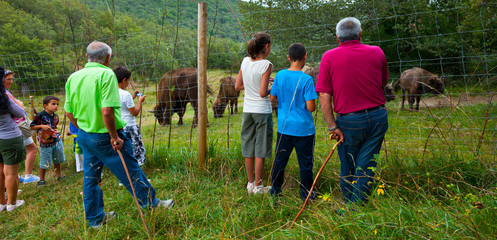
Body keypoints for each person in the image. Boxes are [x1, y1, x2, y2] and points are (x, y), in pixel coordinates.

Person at [65, 41, 173, 229]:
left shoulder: (73, 77)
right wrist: (114, 136)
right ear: (108, 58)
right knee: (132, 170)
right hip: (106, 137)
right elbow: (106, 111)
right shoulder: (106, 74)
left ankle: (95, 219)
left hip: (84, 136)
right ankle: (152, 205)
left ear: (86, 56)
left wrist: (82, 128)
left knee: (91, 178)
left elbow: (69, 113)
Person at [315, 17, 389, 206]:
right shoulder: (377, 51)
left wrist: (332, 126)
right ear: (360, 35)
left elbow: (324, 95)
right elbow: (382, 82)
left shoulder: (329, 56)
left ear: (338, 38)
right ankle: (357, 205)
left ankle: (352, 208)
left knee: (348, 165)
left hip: (349, 122)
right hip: (377, 116)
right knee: (366, 164)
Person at [269, 43, 318, 201]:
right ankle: (306, 194)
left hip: (284, 127)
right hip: (304, 130)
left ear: (288, 57)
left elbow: (272, 98)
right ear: (305, 57)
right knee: (305, 163)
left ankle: (275, 190)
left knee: (280, 160)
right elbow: (311, 108)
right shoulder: (307, 79)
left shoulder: (280, 75)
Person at [235, 32, 273, 194]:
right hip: (262, 111)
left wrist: (254, 85)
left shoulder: (244, 61)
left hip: (247, 110)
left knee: (248, 146)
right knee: (261, 148)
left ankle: (250, 183)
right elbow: (263, 93)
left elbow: (238, 86)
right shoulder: (267, 65)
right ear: (266, 47)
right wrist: (274, 85)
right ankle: (258, 186)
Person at [2, 70, 40, 184]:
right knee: (31, 149)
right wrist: (19, 104)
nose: (11, 81)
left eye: (12, 79)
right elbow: (20, 109)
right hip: (15, 127)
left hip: (13, 127)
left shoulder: (5, 92)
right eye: (8, 79)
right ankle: (23, 177)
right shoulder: (4, 94)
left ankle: (17, 177)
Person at [0, 67, 26, 212]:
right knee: (10, 172)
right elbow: (21, 112)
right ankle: (12, 203)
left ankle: (1, 202)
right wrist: (13, 100)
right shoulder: (4, 96)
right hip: (9, 136)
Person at [113, 66, 147, 166]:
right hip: (130, 126)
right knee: (137, 150)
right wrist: (140, 101)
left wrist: (132, 97)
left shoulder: (111, 92)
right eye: (128, 80)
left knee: (124, 151)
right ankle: (137, 175)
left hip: (119, 127)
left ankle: (124, 177)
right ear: (124, 80)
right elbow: (134, 112)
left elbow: (122, 105)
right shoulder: (125, 94)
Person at [30, 96, 66, 187]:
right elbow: (31, 126)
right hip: (45, 144)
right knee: (44, 162)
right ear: (45, 106)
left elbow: (54, 127)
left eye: (57, 104)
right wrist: (41, 126)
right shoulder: (40, 116)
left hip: (56, 141)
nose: (56, 106)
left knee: (57, 159)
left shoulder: (56, 117)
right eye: (53, 104)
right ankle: (42, 180)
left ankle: (59, 176)